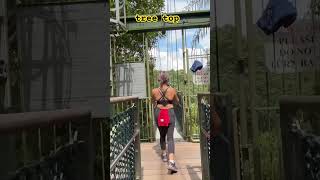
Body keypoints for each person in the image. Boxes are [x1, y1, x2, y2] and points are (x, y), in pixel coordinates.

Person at [151, 71, 179, 173]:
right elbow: (177, 101)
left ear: (159, 80)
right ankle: (171, 162)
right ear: (168, 79)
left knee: (162, 135)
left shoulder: (154, 91)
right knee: (170, 137)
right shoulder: (172, 90)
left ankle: (163, 155)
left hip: (158, 112)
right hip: (169, 112)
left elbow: (152, 101)